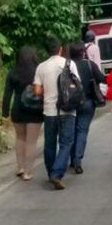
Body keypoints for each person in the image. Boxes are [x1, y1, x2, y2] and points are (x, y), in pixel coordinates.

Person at [33, 37, 81, 189]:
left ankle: (50, 173)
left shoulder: (41, 67)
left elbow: (37, 91)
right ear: (60, 49)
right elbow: (77, 85)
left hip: (49, 111)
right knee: (66, 143)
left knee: (50, 144)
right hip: (68, 109)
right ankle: (57, 173)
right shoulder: (69, 64)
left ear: (46, 50)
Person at [1, 46, 43, 181]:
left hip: (17, 110)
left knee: (20, 138)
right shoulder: (38, 71)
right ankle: (28, 172)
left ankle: (20, 168)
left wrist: (5, 112)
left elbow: (7, 94)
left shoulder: (13, 73)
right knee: (31, 142)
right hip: (35, 110)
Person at [69, 40, 106, 174]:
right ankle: (78, 160)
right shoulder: (90, 65)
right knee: (82, 131)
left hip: (71, 103)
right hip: (87, 102)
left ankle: (72, 158)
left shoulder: (66, 65)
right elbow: (102, 78)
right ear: (83, 52)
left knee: (72, 130)